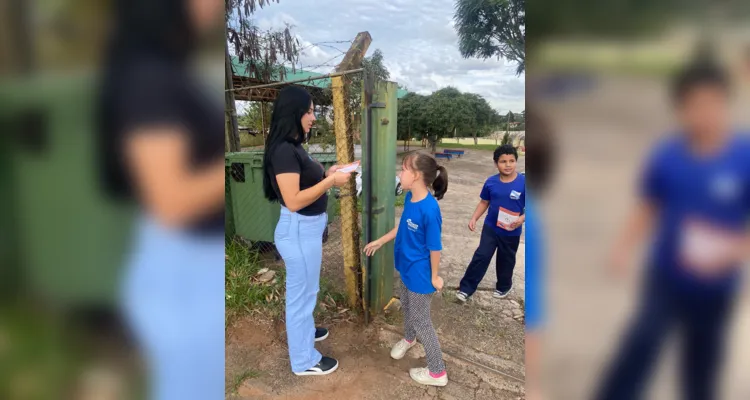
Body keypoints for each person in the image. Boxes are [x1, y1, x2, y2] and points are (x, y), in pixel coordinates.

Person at [595, 61, 750, 399]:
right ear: (682, 109)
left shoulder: (744, 155)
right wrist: (623, 247)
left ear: (726, 104)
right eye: (696, 105)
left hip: (717, 284)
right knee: (642, 342)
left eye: (713, 104)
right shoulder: (668, 154)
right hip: (666, 274)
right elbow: (648, 205)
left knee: (702, 363)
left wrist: (735, 248)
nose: (705, 113)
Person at [97, 0, 226, 398]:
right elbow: (170, 200)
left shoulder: (167, 71)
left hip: (186, 263)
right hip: (183, 267)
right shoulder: (149, 76)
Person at [263, 85, 352, 376]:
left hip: (306, 231)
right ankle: (304, 361)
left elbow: (303, 183)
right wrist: (330, 183)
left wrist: (328, 173)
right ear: (295, 112)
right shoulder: (285, 151)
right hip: (298, 231)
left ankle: (305, 330)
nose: (313, 117)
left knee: (307, 289)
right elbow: (293, 201)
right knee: (300, 296)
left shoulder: (293, 146)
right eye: (310, 111)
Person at [364, 150, 449, 386]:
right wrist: (381, 241)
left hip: (421, 276)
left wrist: (434, 277)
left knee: (423, 321)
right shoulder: (412, 198)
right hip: (406, 268)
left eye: (403, 169)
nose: (399, 173)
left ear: (417, 175)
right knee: (408, 308)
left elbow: (435, 247)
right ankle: (409, 339)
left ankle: (437, 372)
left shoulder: (430, 209)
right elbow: (404, 225)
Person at [456, 144, 526, 302]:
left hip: (511, 231)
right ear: (496, 163)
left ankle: (504, 287)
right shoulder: (491, 182)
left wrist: (521, 219)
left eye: (511, 161)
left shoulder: (524, 182)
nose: (508, 165)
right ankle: (466, 288)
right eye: (503, 161)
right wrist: (474, 218)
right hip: (491, 228)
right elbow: (484, 202)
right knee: (481, 255)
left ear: (516, 162)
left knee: (505, 260)